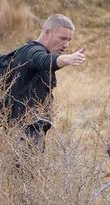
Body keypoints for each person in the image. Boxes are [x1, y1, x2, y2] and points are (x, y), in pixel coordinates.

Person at [10, 14, 86, 147]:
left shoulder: (43, 53)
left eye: (69, 40)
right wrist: (66, 59)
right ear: (48, 32)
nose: (66, 45)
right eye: (62, 38)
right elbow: (44, 61)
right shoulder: (32, 51)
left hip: (33, 130)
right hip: (21, 132)